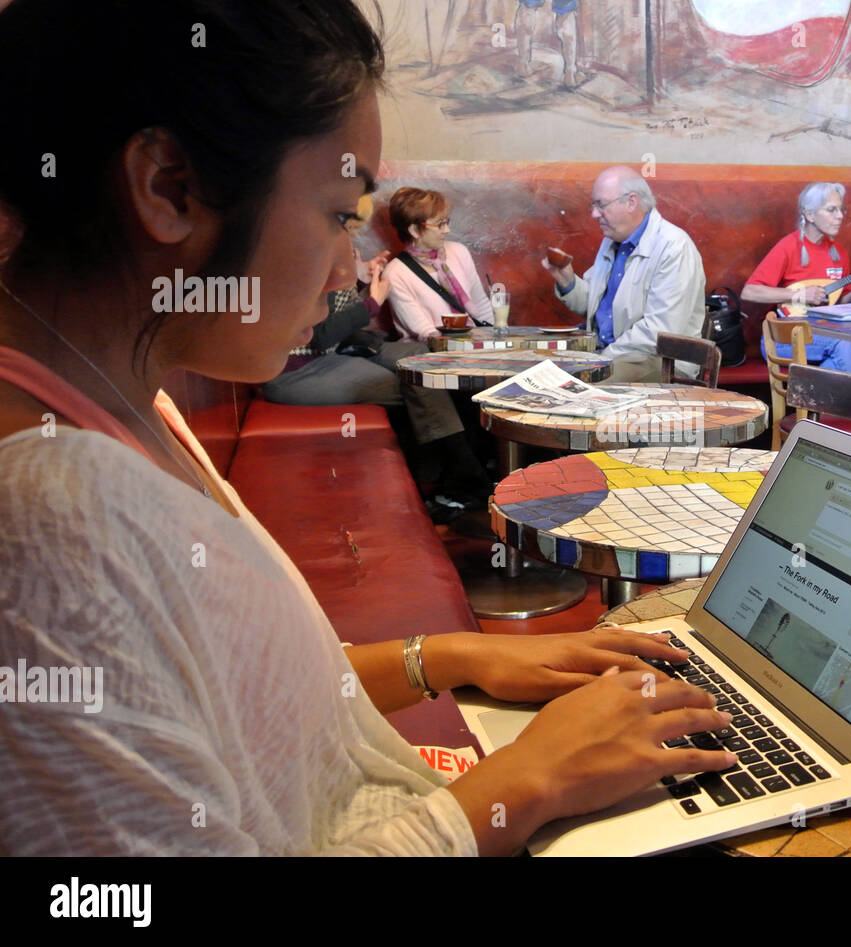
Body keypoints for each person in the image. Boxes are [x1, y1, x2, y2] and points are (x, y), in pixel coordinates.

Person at [0, 0, 734, 856]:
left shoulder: (134, 409)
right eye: (340, 213)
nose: (349, 266)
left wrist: (451, 655)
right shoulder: (50, 521)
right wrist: (525, 783)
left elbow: (246, 695)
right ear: (171, 189)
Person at [263, 203, 487, 516]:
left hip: (334, 353)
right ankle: (465, 475)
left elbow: (333, 317)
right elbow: (319, 335)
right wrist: (371, 301)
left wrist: (357, 282)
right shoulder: (297, 260)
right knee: (417, 378)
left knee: (430, 362)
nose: (351, 232)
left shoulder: (329, 249)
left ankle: (459, 472)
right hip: (297, 371)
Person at [542, 165, 706, 382]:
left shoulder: (674, 247)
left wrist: (602, 358)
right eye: (593, 205)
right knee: (544, 374)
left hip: (663, 362)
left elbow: (660, 332)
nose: (594, 214)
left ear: (631, 202)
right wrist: (568, 281)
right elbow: (597, 309)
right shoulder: (612, 241)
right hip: (614, 355)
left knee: (578, 388)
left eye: (601, 205)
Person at [741, 182, 851, 375]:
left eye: (841, 209)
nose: (840, 216)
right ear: (810, 215)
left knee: (835, 362)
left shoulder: (839, 253)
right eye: (831, 210)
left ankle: (808, 398)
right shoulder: (788, 247)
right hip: (783, 339)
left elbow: (839, 303)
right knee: (842, 341)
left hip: (822, 335)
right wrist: (800, 294)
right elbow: (749, 292)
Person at [382, 187, 494, 342]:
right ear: (414, 230)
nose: (447, 230)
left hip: (472, 345)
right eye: (440, 224)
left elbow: (481, 305)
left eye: (447, 222)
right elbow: (425, 332)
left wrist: (494, 342)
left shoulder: (458, 252)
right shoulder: (395, 273)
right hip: (430, 355)